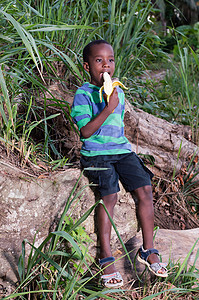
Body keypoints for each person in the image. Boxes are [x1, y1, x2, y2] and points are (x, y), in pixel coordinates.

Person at [71, 40, 168, 288]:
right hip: (96, 153)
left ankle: (149, 249)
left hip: (122, 151)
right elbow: (86, 132)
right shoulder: (83, 94)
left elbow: (118, 129)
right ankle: (105, 257)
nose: (106, 65)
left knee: (145, 189)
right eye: (99, 60)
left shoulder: (118, 91)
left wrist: (114, 101)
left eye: (110, 60)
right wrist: (107, 107)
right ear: (86, 66)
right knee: (110, 195)